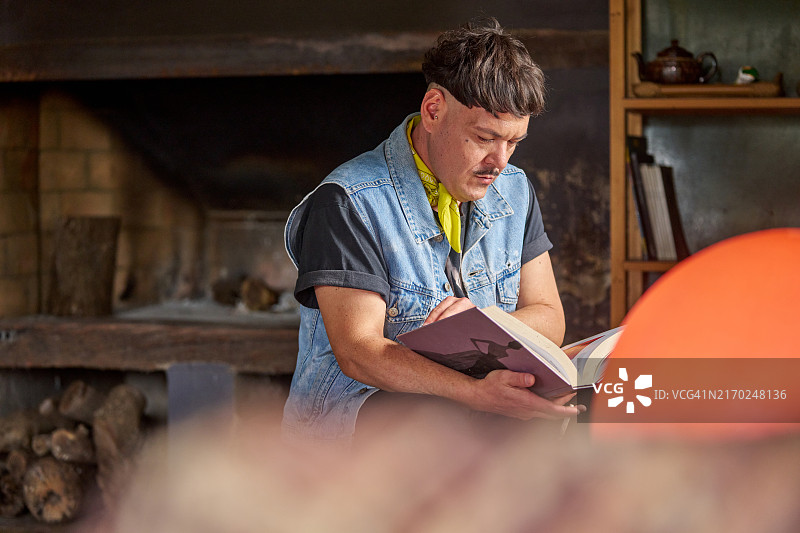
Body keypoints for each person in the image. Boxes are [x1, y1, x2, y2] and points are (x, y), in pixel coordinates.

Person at [282, 17, 581, 446]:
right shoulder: (348, 201)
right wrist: (477, 395)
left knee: (607, 405)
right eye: (485, 137)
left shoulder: (514, 189)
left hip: (467, 415)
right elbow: (360, 353)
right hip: (353, 430)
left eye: (514, 142)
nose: (500, 162)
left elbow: (550, 316)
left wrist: (489, 325)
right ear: (434, 110)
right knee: (455, 426)